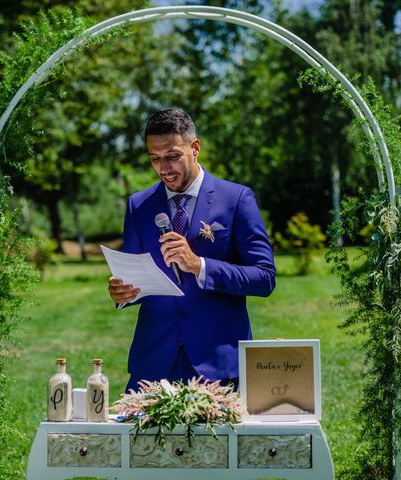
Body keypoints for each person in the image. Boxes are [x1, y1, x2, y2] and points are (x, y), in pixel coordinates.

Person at [108, 108, 276, 392]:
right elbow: (134, 273)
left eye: (172, 156)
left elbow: (264, 278)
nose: (164, 168)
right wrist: (123, 293)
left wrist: (200, 265)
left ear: (195, 147)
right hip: (152, 364)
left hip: (218, 364)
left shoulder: (236, 199)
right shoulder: (139, 205)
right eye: (155, 159)